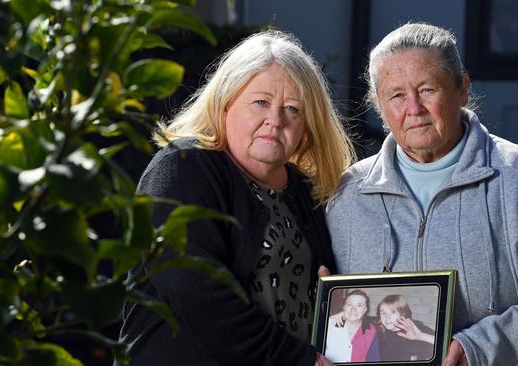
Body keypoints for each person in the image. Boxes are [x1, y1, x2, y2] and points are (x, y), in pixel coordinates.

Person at [326, 22, 518, 366]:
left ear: (463, 89)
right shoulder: (348, 194)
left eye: (427, 89)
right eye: (396, 95)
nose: (413, 108)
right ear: (378, 106)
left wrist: (479, 347)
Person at [118, 30, 355, 366]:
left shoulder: (302, 189)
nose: (275, 120)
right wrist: (301, 360)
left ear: (307, 126)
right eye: (260, 102)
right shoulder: (182, 168)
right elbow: (199, 295)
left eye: (292, 110)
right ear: (225, 103)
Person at [368, 294, 434, 362]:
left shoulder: (416, 328)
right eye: (383, 313)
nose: (387, 318)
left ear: (403, 314)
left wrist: (421, 336)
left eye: (393, 312)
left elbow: (443, 342)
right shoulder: (379, 329)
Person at [324, 289, 377, 363]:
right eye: (349, 304)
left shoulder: (371, 330)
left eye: (359, 305)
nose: (353, 309)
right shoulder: (330, 324)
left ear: (365, 309)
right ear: (344, 307)